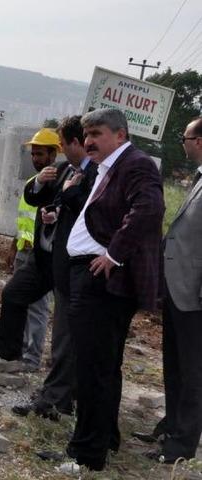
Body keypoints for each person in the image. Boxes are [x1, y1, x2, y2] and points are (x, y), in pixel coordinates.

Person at [60, 108, 165, 473]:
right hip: (93, 277)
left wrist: (114, 254)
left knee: (93, 369)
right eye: (86, 134)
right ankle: (105, 439)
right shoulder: (110, 166)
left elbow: (150, 209)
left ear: (120, 135)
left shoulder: (135, 164)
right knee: (104, 366)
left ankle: (86, 455)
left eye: (97, 133)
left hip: (102, 281)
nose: (88, 140)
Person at [12, 115, 97, 421]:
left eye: (62, 143)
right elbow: (36, 197)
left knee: (64, 337)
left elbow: (91, 217)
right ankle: (60, 394)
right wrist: (53, 208)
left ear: (76, 142)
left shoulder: (95, 175)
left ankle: (56, 398)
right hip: (57, 263)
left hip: (78, 268)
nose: (59, 148)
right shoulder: (65, 170)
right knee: (64, 335)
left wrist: (70, 199)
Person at [144, 117, 202, 464]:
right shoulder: (197, 179)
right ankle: (171, 427)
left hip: (195, 295)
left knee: (193, 371)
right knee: (174, 365)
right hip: (179, 288)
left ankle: (182, 446)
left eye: (185, 137)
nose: (182, 143)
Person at [0, 128, 59, 369]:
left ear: (53, 154)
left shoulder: (58, 185)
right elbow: (24, 219)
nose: (35, 158)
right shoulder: (33, 183)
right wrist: (13, 248)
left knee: (36, 307)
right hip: (24, 250)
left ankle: (31, 357)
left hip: (40, 255)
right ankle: (11, 350)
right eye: (33, 154)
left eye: (40, 154)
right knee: (15, 300)